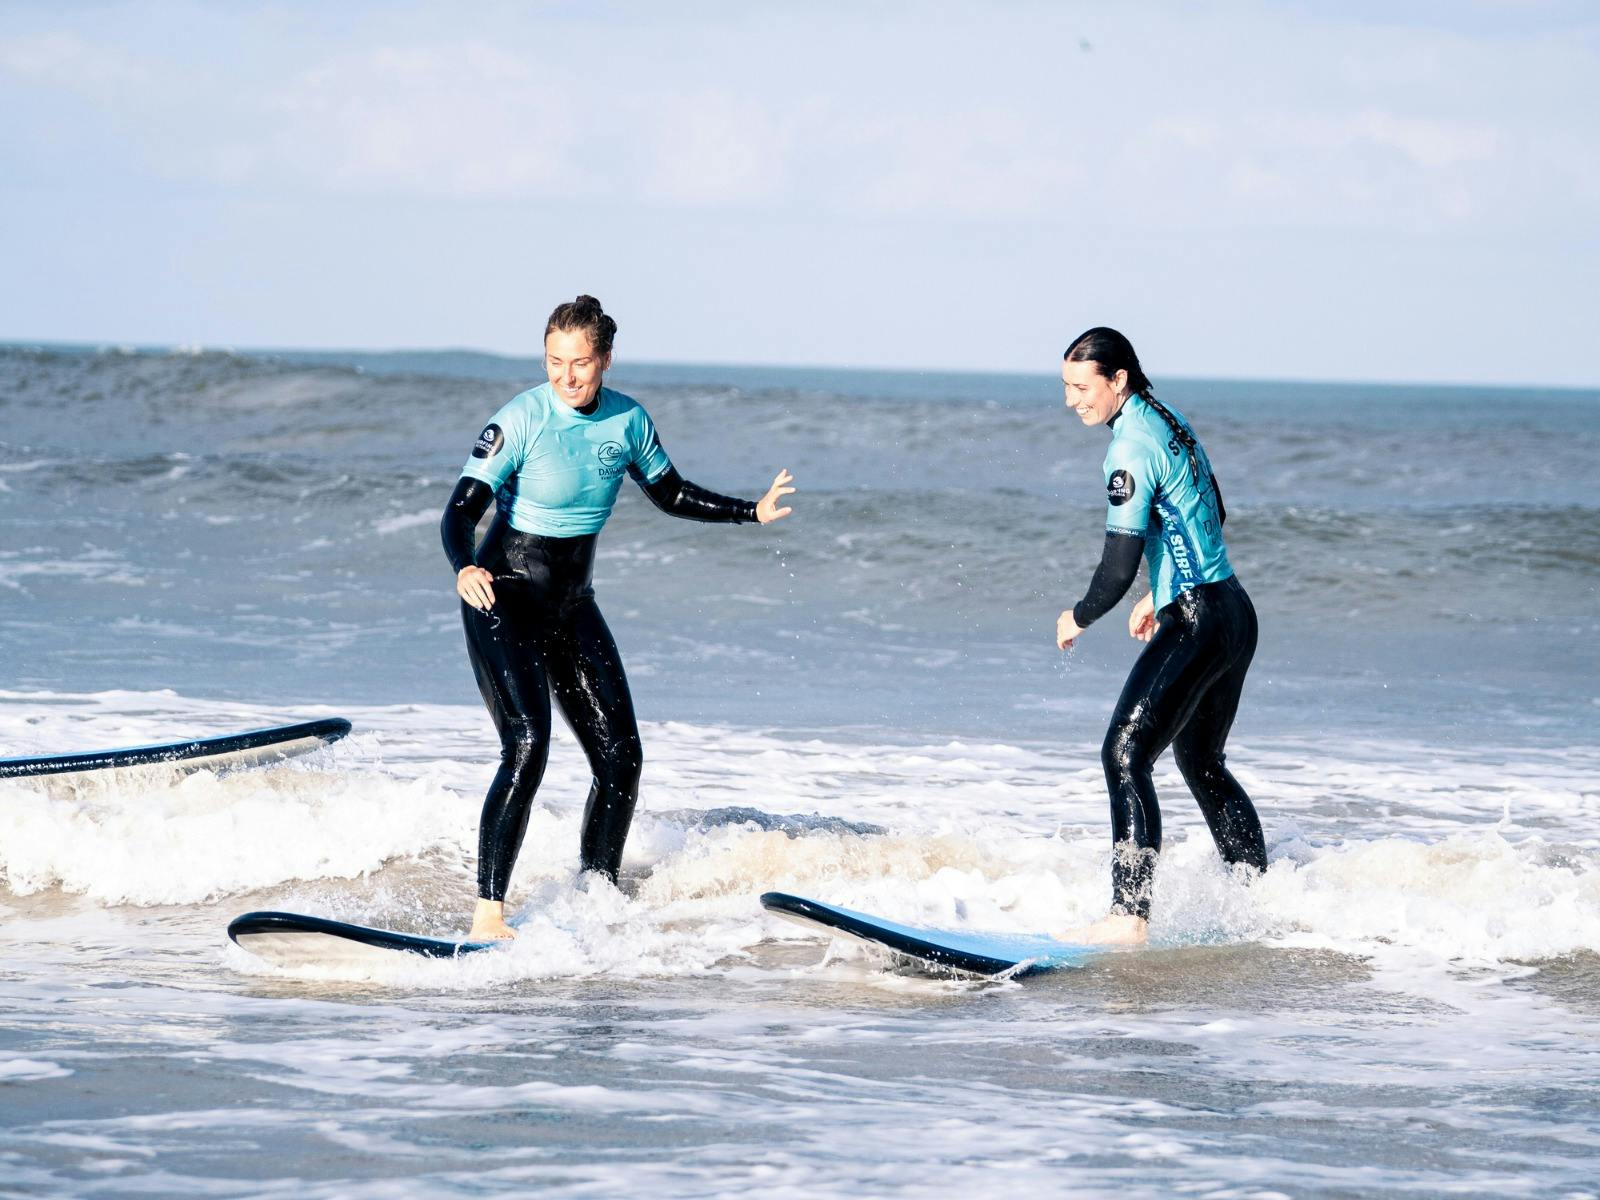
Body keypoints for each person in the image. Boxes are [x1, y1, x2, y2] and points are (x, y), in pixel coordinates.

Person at [440, 295, 796, 940]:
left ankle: (594, 896)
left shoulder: (628, 420)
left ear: (604, 359)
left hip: (572, 603)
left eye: (579, 363)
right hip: (503, 594)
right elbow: (461, 509)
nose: (565, 376)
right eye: (553, 361)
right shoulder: (521, 418)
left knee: (621, 757)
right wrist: (464, 566)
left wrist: (753, 511)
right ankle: (489, 913)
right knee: (526, 746)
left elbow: (671, 493)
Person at [1053, 327, 1266, 945]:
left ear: (1116, 380)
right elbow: (1208, 511)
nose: (1071, 400)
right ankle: (1256, 898)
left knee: (1124, 755)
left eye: (1080, 387)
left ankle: (1128, 916)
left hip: (1198, 619)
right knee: (1202, 762)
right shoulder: (1167, 419)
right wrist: (1160, 590)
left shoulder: (1127, 448)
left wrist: (1081, 614)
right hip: (1232, 610)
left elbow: (1117, 563)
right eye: (1065, 386)